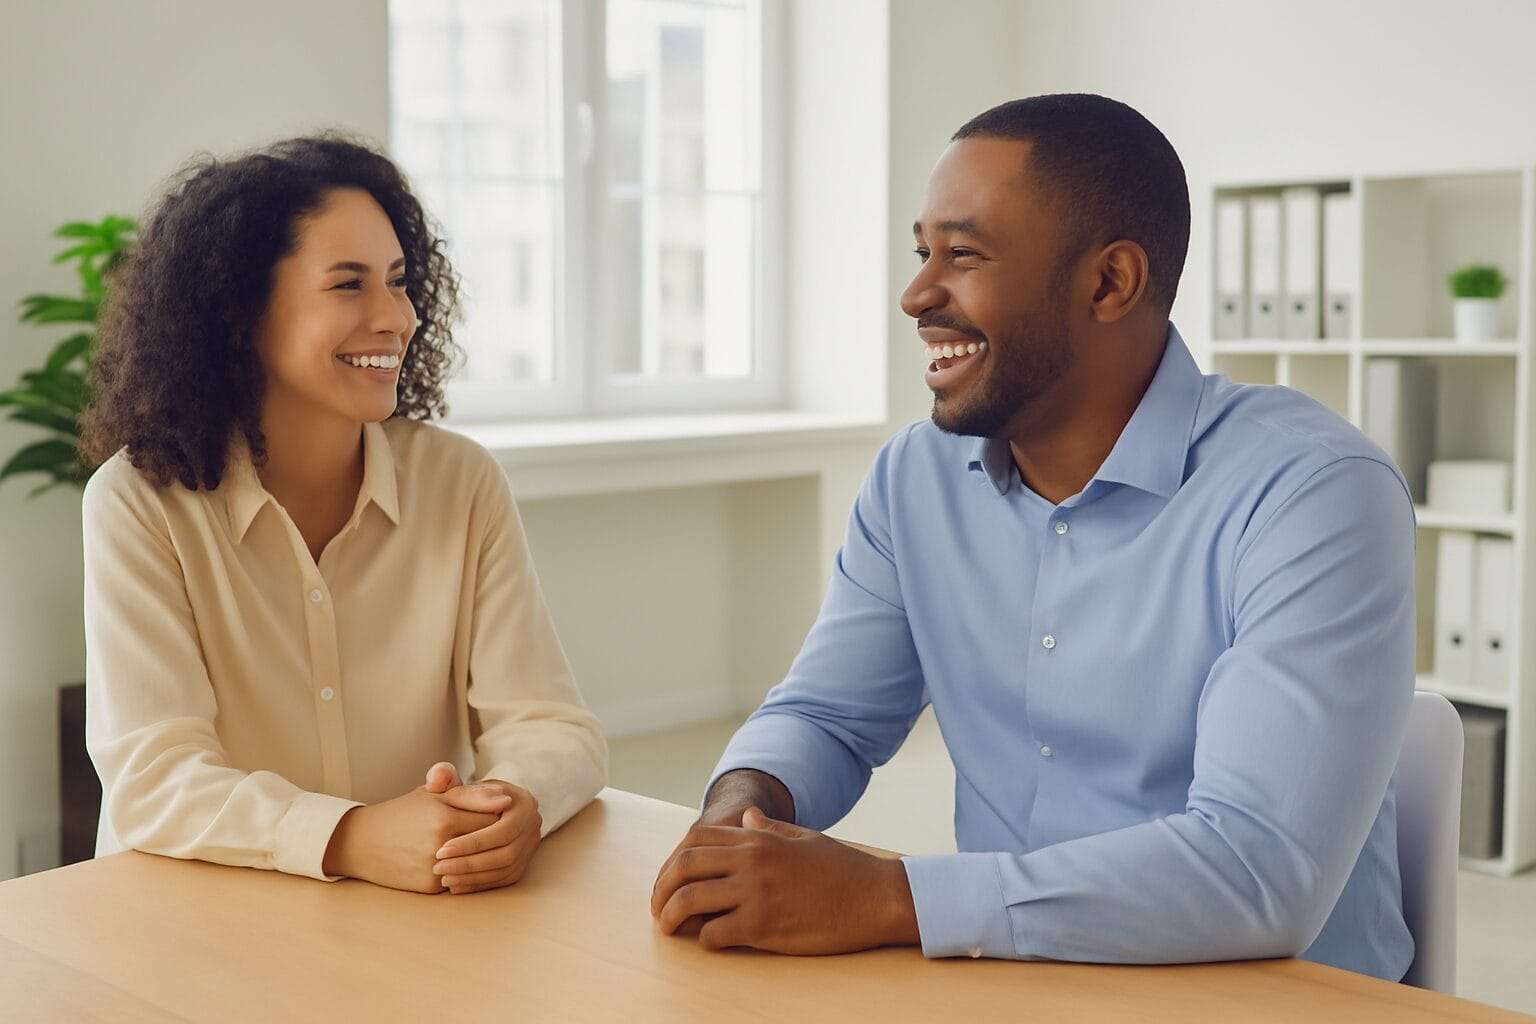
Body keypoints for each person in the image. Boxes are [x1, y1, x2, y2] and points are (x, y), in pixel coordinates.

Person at [651, 94, 1416, 980]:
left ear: (1108, 283)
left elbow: (1255, 872)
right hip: (1012, 976)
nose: (916, 294)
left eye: (963, 254)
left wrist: (889, 897)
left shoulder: (1311, 493)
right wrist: (741, 808)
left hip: (1274, 995)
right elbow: (827, 717)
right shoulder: (916, 479)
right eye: (921, 251)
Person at [80, 135, 606, 895]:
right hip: (190, 920)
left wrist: (510, 805)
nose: (396, 317)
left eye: (398, 281)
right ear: (239, 310)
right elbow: (156, 780)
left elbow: (553, 726)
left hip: (409, 920)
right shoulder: (137, 501)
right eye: (348, 285)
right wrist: (349, 836)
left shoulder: (460, 482)